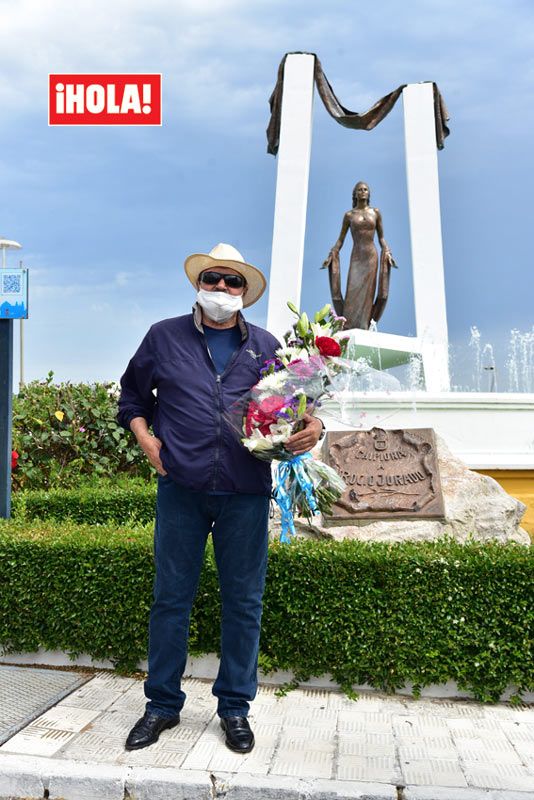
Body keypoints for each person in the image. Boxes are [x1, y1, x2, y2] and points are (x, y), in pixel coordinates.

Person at [116, 243, 323, 754]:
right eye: (213, 279)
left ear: (245, 293)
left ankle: (234, 709)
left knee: (244, 603)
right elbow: (133, 398)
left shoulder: (270, 347)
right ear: (198, 284)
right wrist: (144, 436)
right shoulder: (163, 337)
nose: (222, 290)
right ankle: (161, 706)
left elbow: (302, 409)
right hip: (181, 489)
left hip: (246, 491)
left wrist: (313, 427)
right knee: (170, 600)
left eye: (233, 283)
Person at [322, 181, 397, 329]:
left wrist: (387, 251)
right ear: (355, 194)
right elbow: (340, 240)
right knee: (352, 291)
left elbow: (381, 237)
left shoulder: (375, 213)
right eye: (360, 190)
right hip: (356, 257)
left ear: (368, 193)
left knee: (369, 294)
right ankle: (349, 325)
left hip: (371, 256)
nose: (363, 192)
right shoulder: (349, 215)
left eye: (365, 189)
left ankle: (365, 325)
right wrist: (332, 253)